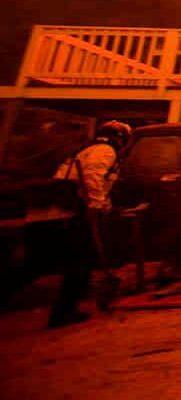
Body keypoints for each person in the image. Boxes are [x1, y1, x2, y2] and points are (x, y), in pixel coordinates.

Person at [47, 120, 131, 328]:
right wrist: (97, 204)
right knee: (78, 263)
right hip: (77, 211)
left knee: (74, 263)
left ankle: (64, 311)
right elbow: (92, 177)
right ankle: (63, 313)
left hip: (69, 208)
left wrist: (105, 203)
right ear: (121, 138)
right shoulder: (105, 151)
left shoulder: (88, 149)